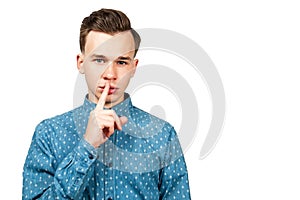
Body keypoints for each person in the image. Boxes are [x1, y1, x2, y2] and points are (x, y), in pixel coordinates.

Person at [22, 8, 191, 199]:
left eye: (121, 62)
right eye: (100, 60)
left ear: (133, 67)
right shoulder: (49, 134)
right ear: (81, 63)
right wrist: (87, 146)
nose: (110, 74)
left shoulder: (162, 135)